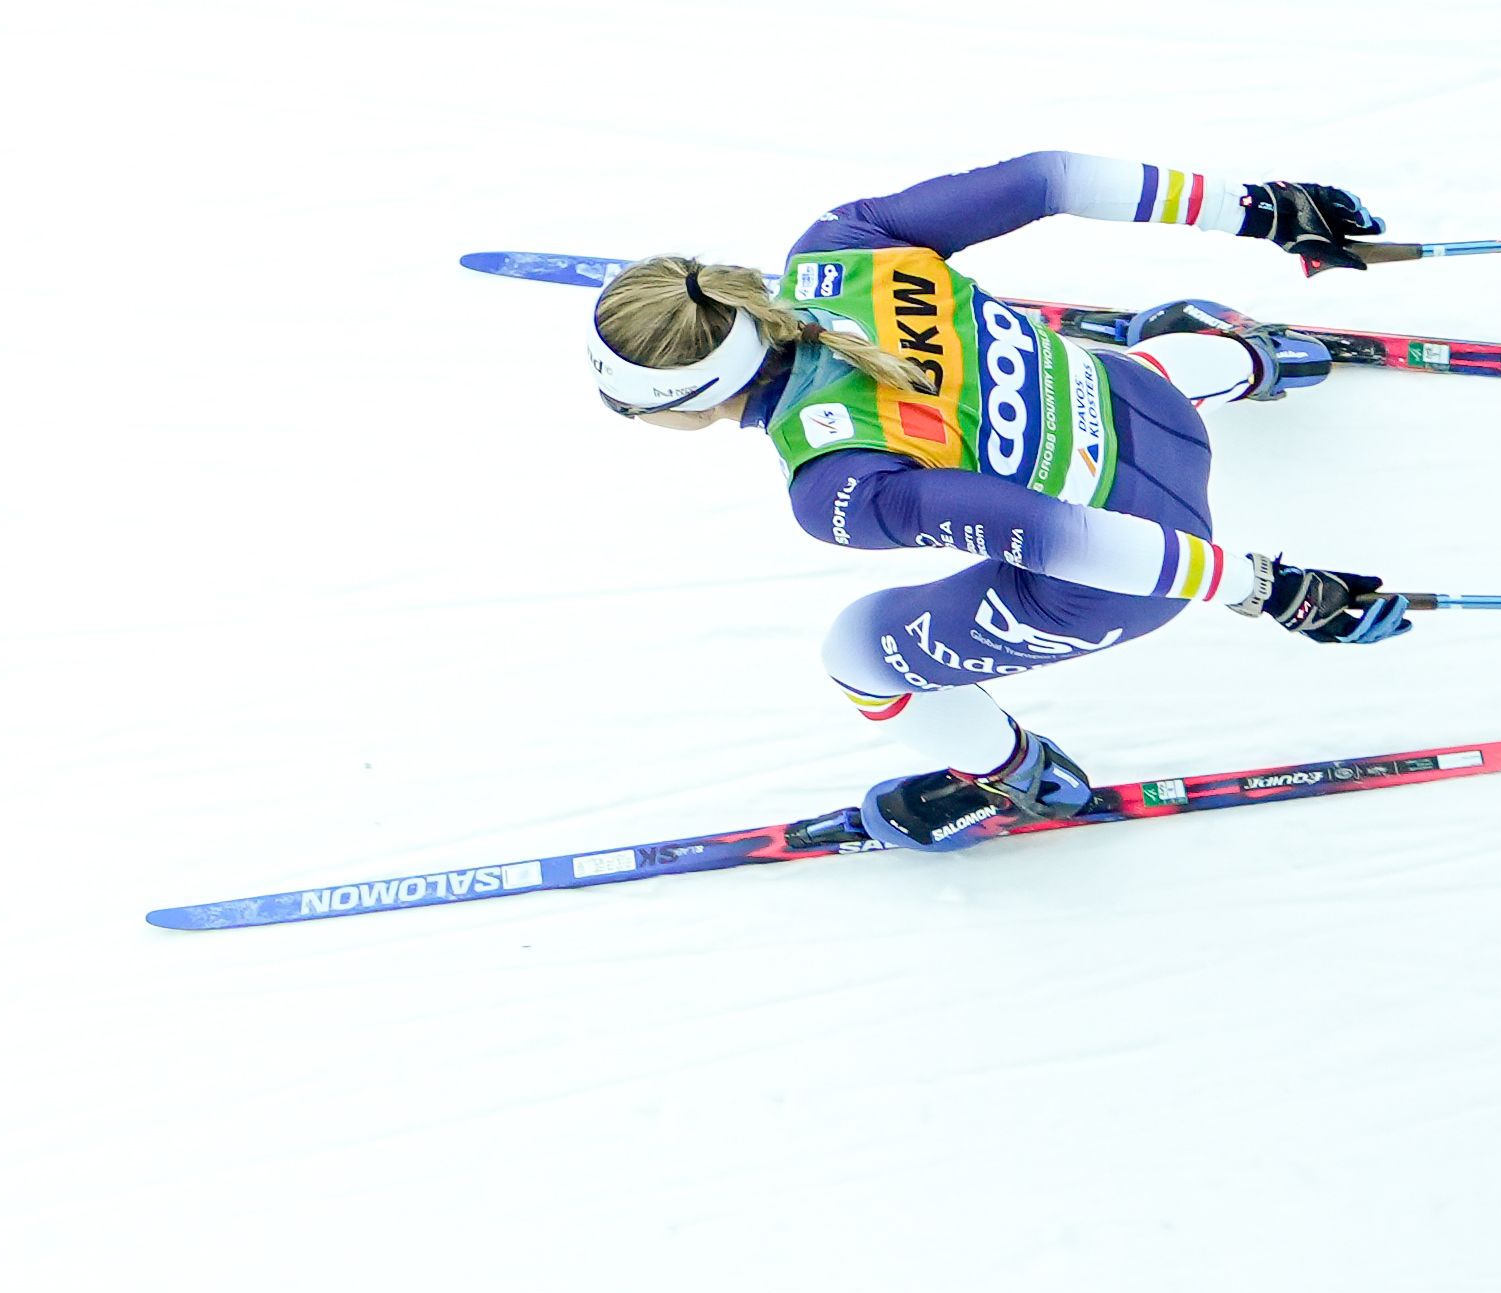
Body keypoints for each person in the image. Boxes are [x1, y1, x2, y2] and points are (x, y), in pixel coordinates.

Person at [582, 152, 1416, 853]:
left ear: (691, 401)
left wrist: (1264, 588)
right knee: (1117, 376)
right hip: (1148, 406)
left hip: (1135, 564)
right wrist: (1260, 208)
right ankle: (1254, 358)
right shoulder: (840, 245)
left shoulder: (835, 482)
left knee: (858, 655)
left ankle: (1017, 779)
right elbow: (1049, 177)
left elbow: (1060, 536)